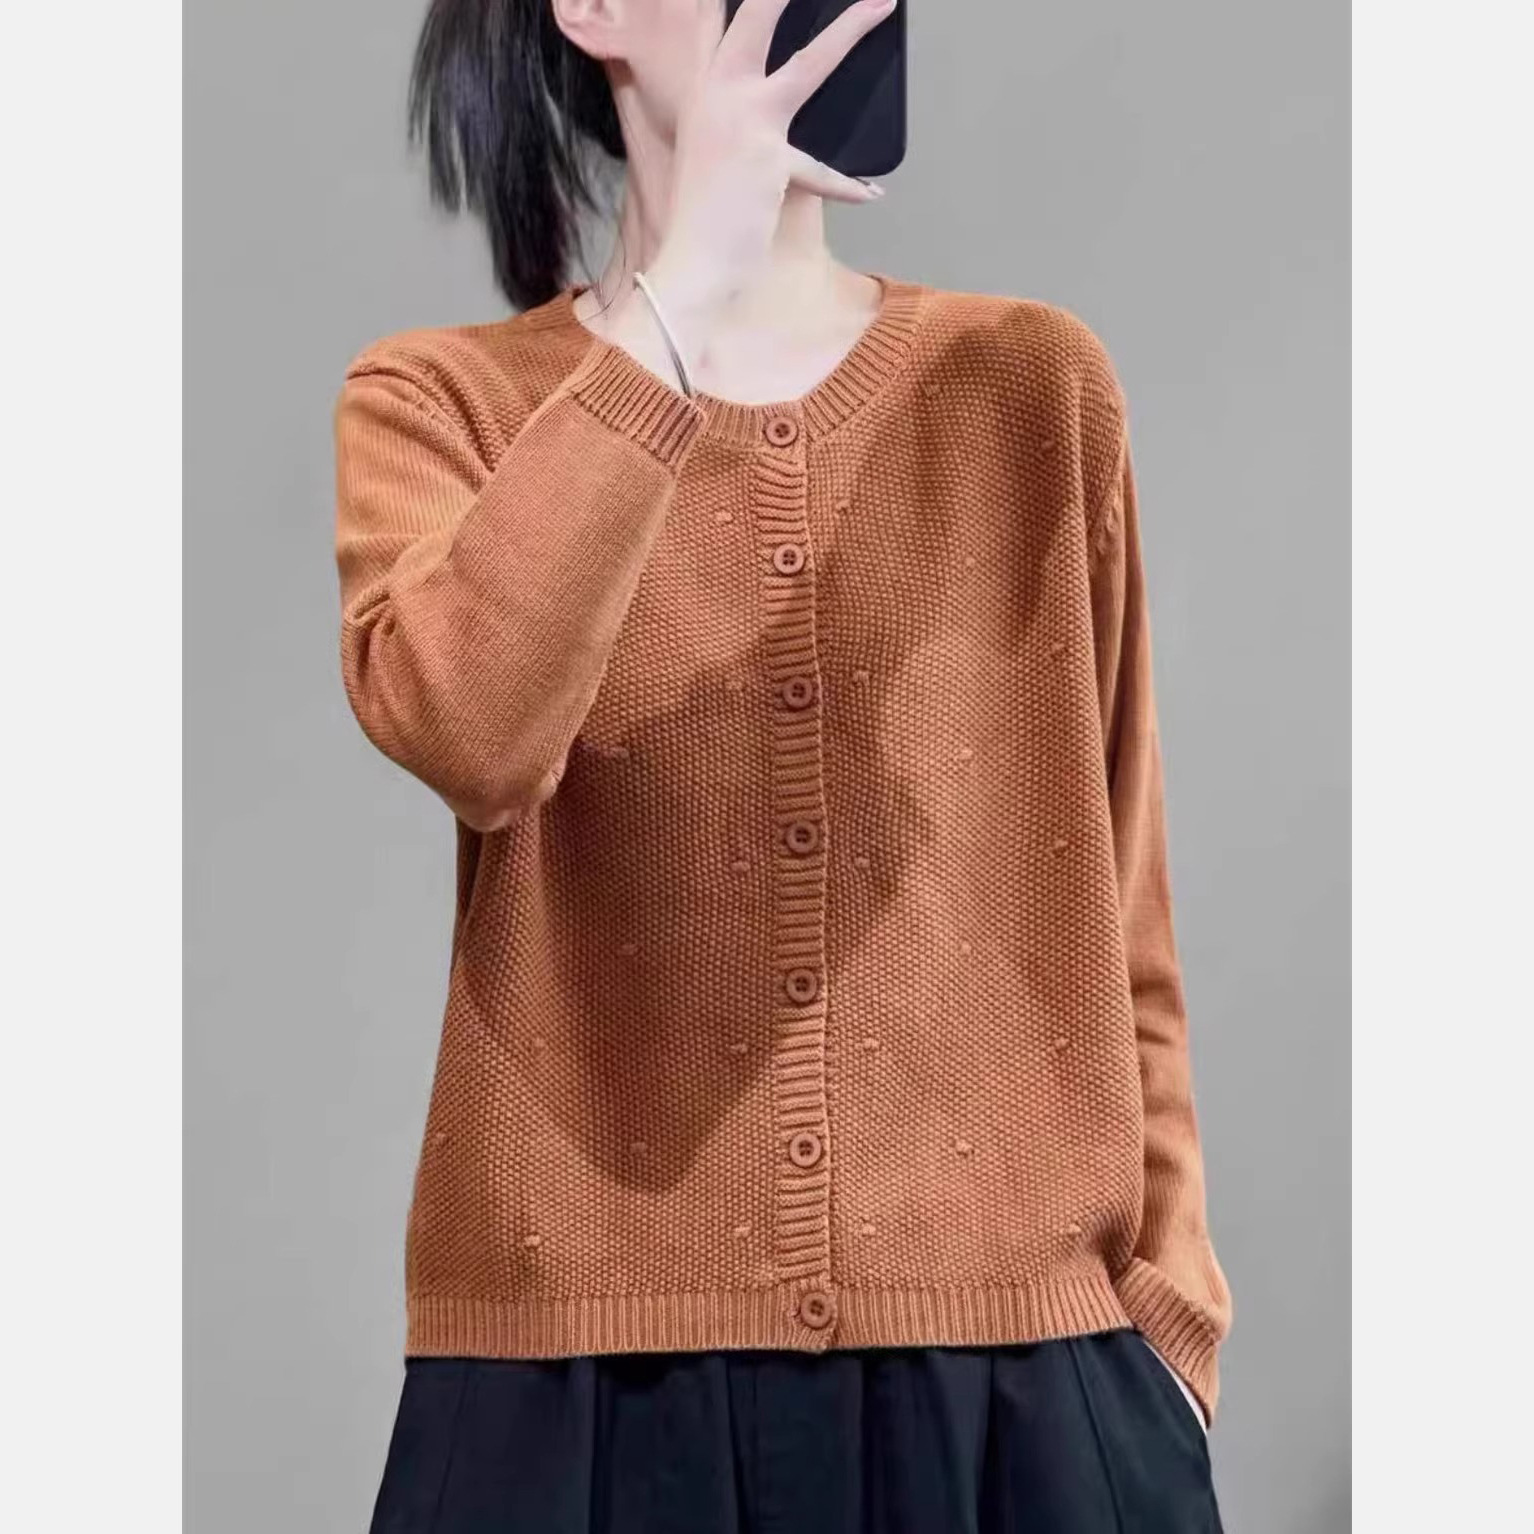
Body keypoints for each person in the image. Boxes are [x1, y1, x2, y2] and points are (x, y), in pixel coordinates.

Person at [331, 1, 1234, 1529]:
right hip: (575, 1397)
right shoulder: (443, 405)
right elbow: (472, 728)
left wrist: (1168, 1340)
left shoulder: (1027, 387)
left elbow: (1121, 903)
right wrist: (679, 301)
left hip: (1019, 1391)